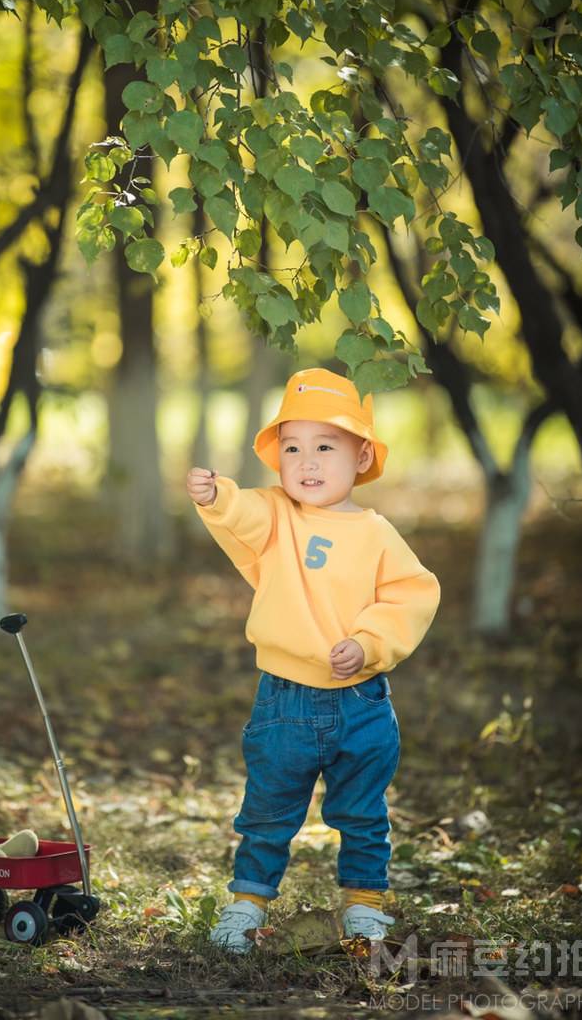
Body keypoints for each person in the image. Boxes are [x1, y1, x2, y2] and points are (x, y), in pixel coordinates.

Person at [186, 367, 441, 953]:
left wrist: (371, 642)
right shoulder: (278, 514)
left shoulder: (376, 534)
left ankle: (363, 905)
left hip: (361, 704)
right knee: (268, 811)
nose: (307, 462)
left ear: (361, 456)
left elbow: (412, 592)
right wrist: (219, 495)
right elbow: (245, 515)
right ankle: (246, 906)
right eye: (292, 448)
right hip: (284, 700)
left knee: (361, 812)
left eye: (325, 447)